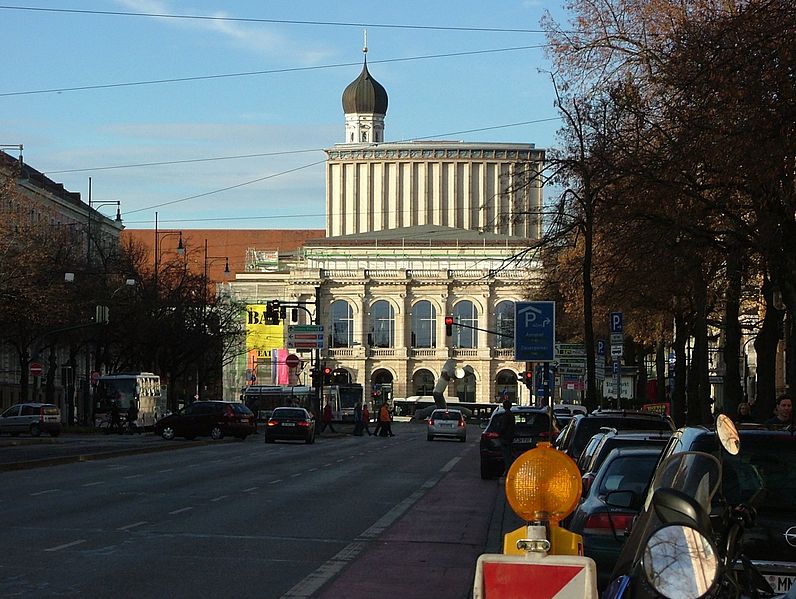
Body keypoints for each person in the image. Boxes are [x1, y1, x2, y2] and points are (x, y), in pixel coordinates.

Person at [495, 399, 515, 477]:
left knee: (506, 455)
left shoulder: (506, 415)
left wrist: (499, 432)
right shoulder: (511, 414)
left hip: (505, 438)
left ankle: (508, 470)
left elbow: (503, 427)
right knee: (509, 454)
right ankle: (508, 470)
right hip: (509, 437)